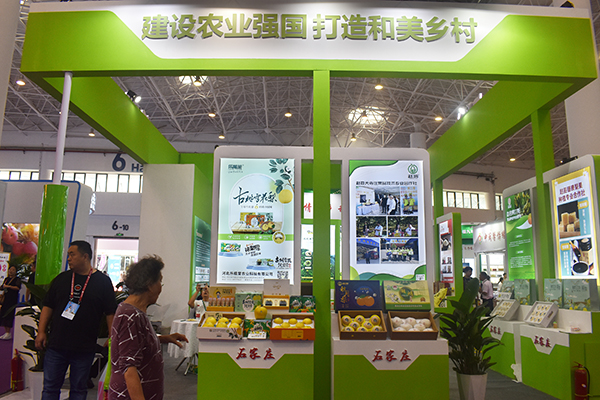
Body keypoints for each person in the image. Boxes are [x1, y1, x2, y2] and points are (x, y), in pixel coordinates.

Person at [36, 240, 117, 400]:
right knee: (50, 388)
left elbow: (110, 312)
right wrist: (41, 331)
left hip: (84, 347)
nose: (69, 258)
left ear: (85, 256)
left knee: (79, 390)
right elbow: (48, 306)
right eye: (68, 255)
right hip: (57, 344)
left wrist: (112, 337)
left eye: (72, 254)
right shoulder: (62, 279)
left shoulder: (102, 282)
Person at [109, 255, 188, 400]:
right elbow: (129, 369)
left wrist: (164, 338)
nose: (160, 288)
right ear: (150, 285)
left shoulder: (134, 312)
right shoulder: (130, 316)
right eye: (159, 282)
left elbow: (135, 342)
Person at [0, 266, 22, 340]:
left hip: (12, 300)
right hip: (5, 299)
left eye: (13, 270)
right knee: (4, 314)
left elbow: (17, 288)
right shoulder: (7, 279)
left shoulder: (17, 279)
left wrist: (8, 286)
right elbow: (3, 287)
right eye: (10, 269)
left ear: (16, 271)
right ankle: (6, 332)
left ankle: (9, 332)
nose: (11, 271)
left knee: (9, 315)